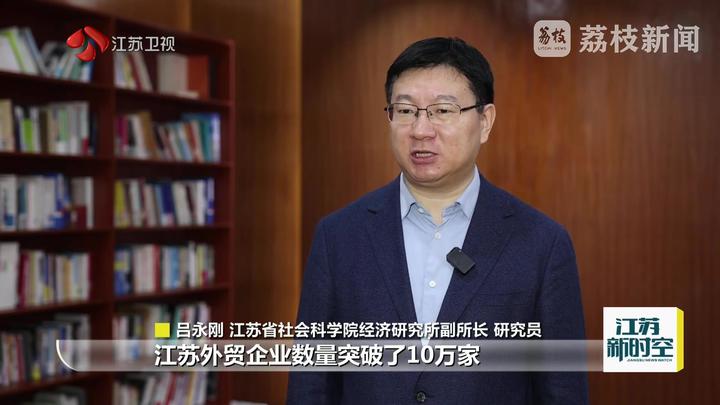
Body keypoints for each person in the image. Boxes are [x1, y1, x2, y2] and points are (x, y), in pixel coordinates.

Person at [287, 37, 588, 404]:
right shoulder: (338, 237)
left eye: (443, 110)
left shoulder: (542, 244)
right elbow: (311, 384)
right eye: (405, 110)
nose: (420, 130)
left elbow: (562, 392)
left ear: (485, 121)